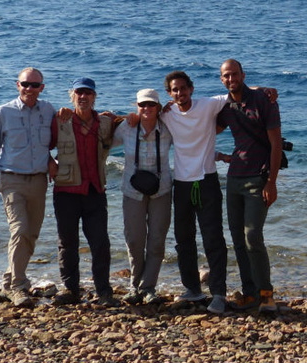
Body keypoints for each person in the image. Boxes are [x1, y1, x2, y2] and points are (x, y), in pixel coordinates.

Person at [0, 67, 56, 308]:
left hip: (39, 181)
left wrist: (53, 161)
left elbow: (55, 142)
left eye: (35, 85)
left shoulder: (49, 110)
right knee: (20, 230)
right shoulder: (4, 112)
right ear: (17, 85)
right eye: (25, 84)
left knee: (30, 235)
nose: (29, 89)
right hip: (12, 180)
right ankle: (19, 287)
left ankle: (8, 281)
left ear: (42, 87)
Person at [159, 71, 231, 315]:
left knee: (213, 239)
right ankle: (192, 288)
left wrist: (265, 91)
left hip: (206, 181)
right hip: (181, 183)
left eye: (183, 88)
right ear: (169, 94)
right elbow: (140, 117)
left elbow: (235, 94)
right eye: (174, 90)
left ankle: (219, 293)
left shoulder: (208, 105)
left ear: (191, 88)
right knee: (183, 239)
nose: (180, 93)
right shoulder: (166, 114)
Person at [216, 59, 282, 314]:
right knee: (238, 239)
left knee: (253, 236)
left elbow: (275, 144)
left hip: (259, 178)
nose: (230, 79)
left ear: (243, 74)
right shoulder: (225, 105)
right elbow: (205, 125)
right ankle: (249, 293)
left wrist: (272, 182)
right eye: (226, 76)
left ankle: (266, 294)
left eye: (234, 74)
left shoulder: (264, 101)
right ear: (221, 79)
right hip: (234, 178)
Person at [50, 77, 118, 307]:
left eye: (88, 93)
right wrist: (48, 162)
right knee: (67, 243)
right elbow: (40, 144)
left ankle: (104, 292)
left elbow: (134, 121)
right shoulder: (60, 121)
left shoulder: (106, 123)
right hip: (66, 191)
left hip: (95, 191)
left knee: (100, 243)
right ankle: (71, 290)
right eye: (79, 93)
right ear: (72, 96)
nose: (83, 97)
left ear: (94, 97)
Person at [112, 88, 173, 304]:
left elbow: (191, 144)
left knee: (157, 240)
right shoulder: (126, 128)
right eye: (142, 105)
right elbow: (103, 140)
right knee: (135, 240)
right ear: (136, 107)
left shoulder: (167, 128)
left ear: (158, 107)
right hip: (132, 191)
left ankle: (149, 288)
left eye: (151, 105)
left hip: (162, 190)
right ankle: (134, 287)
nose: (146, 108)